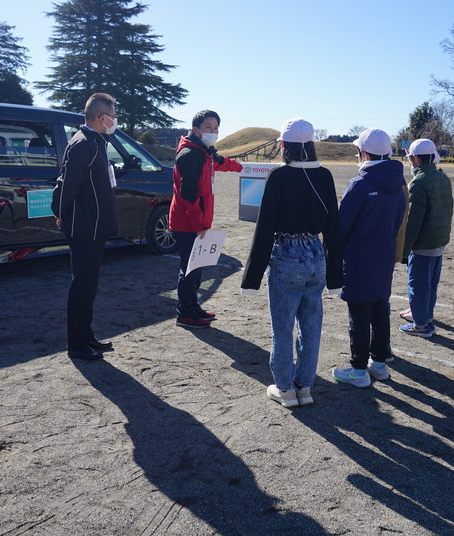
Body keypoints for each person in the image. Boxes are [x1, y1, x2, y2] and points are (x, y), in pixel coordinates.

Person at [241, 118, 343, 407]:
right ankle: (304, 386)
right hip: (316, 252)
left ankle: (284, 388)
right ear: (310, 143)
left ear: (284, 145)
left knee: (282, 326)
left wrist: (251, 279)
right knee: (311, 325)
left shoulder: (278, 177)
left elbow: (265, 227)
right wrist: (336, 279)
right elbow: (333, 226)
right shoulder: (325, 176)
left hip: (287, 251)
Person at [332, 129, 406, 387]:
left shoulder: (360, 184)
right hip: (384, 256)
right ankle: (379, 364)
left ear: (363, 153)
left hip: (359, 259)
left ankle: (358, 369)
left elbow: (342, 226)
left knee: (360, 315)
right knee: (379, 309)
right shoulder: (398, 183)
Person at [54, 93, 119, 361]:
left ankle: (86, 336)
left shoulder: (96, 141)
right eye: (113, 116)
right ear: (102, 118)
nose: (115, 121)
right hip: (84, 229)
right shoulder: (83, 144)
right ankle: (76, 344)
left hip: (95, 227)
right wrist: (60, 213)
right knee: (82, 286)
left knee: (89, 285)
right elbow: (67, 184)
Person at [169, 110, 243, 328]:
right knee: (189, 269)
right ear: (196, 130)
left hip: (197, 222)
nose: (213, 131)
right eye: (208, 127)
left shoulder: (204, 151)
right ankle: (185, 314)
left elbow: (220, 162)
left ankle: (193, 307)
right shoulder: (191, 154)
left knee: (197, 266)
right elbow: (188, 194)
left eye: (216, 127)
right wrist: (199, 223)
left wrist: (242, 168)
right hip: (188, 222)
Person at [398, 138, 454, 338]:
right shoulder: (442, 177)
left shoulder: (418, 183)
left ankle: (421, 325)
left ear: (415, 159)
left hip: (423, 244)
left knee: (418, 286)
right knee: (430, 284)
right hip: (439, 241)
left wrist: (404, 250)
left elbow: (413, 222)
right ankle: (427, 319)